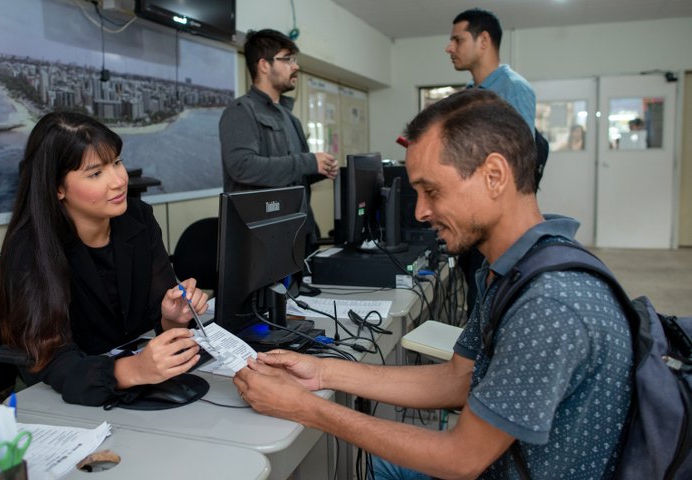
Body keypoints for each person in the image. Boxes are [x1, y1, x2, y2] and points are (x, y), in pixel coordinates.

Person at [234, 89, 633, 479]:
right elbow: (458, 378)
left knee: (340, 467)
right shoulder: (518, 266)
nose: (421, 211)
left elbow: (460, 458)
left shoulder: (548, 303)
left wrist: (306, 408)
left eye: (432, 190)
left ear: (494, 175)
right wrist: (323, 373)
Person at [0, 111, 209, 406]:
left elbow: (156, 320)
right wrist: (132, 370)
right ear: (57, 188)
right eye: (96, 173)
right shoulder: (30, 249)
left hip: (134, 381)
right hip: (58, 395)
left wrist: (171, 318)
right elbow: (51, 361)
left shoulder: (139, 219)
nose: (118, 180)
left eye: (117, 163)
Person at [446, 8, 546, 316]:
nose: (449, 48)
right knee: (476, 296)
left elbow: (516, 161)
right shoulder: (467, 95)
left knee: (495, 301)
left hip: (496, 220)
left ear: (483, 40)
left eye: (457, 39)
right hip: (469, 214)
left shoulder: (512, 88)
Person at [218, 29, 338, 251]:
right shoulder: (240, 111)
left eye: (294, 60)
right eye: (288, 60)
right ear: (264, 65)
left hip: (299, 230)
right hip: (263, 238)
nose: (295, 66)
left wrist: (320, 169)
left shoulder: (290, 118)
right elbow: (242, 167)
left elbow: (291, 176)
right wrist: (309, 162)